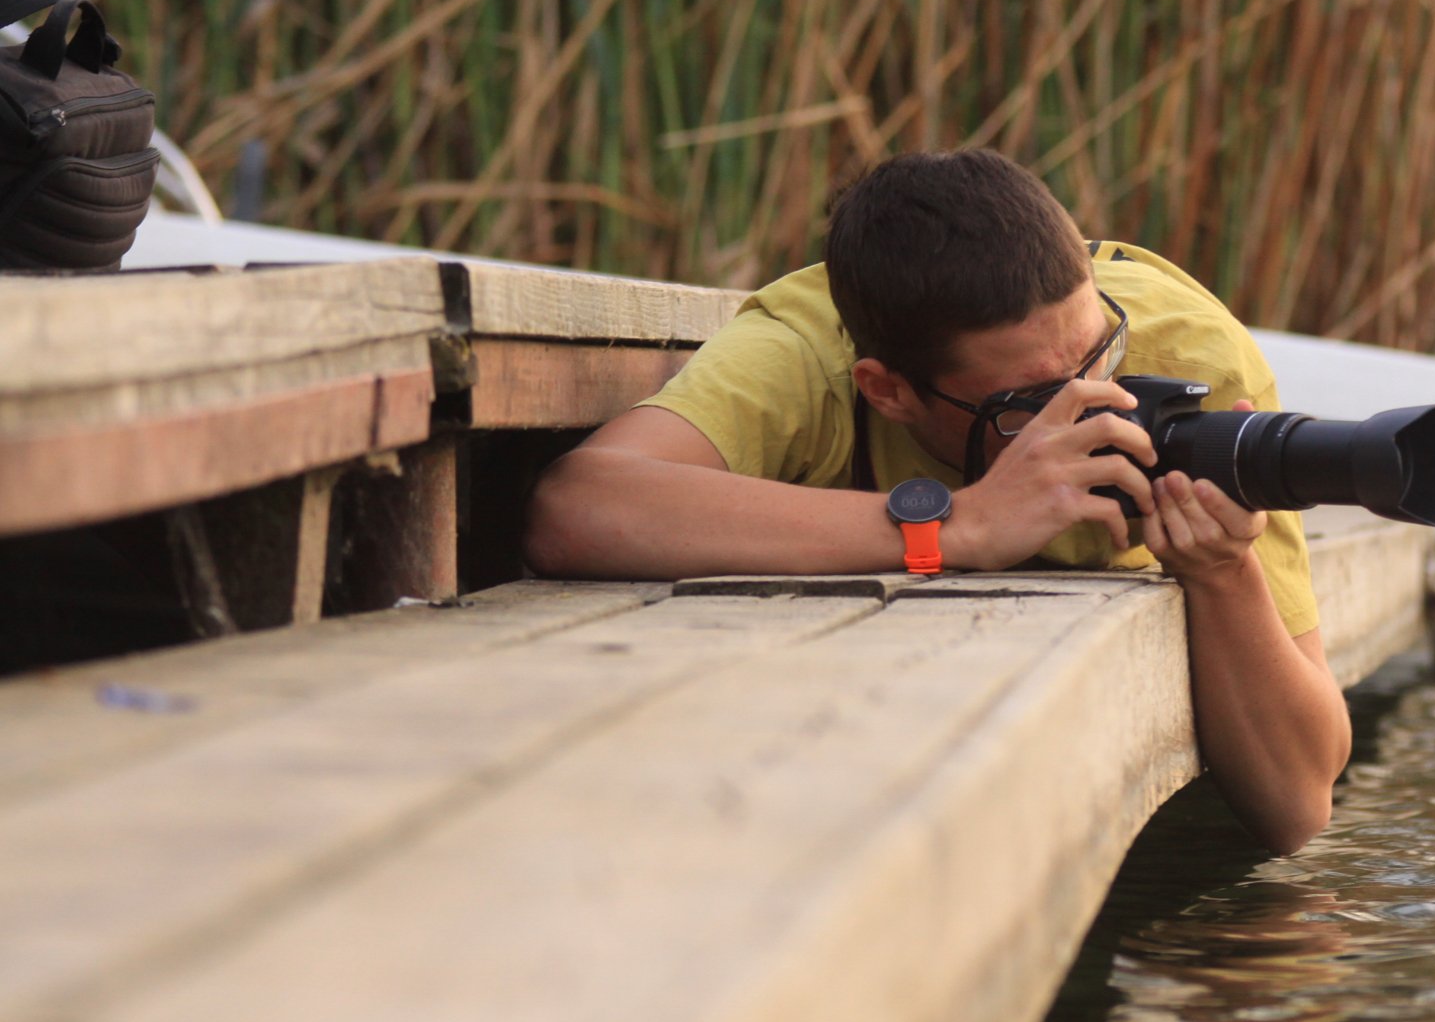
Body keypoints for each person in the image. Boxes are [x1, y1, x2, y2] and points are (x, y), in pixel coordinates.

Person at [524, 149, 1351, 854]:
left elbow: (1298, 806)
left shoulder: (1193, 353)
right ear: (888, 392)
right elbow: (580, 505)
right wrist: (957, 527)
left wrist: (1223, 570)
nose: (1095, 408)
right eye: (1030, 402)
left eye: (1103, 354)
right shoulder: (808, 349)